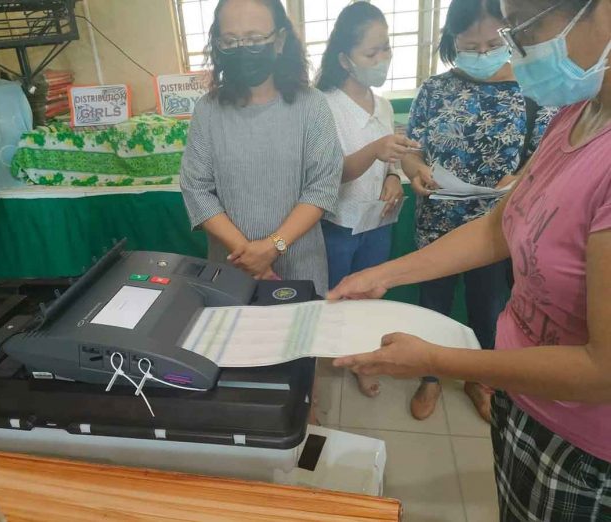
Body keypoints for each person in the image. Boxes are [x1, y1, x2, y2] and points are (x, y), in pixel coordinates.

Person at [329, 0, 611, 518]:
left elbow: (602, 369)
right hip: (524, 396)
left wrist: (433, 361)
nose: (514, 50)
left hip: (583, 443)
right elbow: (497, 227)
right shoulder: (575, 114)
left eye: (525, 29)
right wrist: (381, 275)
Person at [401, 0, 556, 422]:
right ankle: (429, 376)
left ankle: (479, 379)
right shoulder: (435, 90)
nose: (483, 54)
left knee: (488, 310)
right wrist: (415, 171)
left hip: (496, 232)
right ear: (453, 42)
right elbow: (410, 153)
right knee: (431, 306)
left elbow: (548, 159)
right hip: (437, 226)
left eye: (493, 43)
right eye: (471, 45)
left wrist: (521, 179)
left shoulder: (535, 90)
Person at [180, 0, 343, 297]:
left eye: (255, 39)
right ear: (217, 45)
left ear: (279, 41)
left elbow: (322, 187)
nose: (242, 49)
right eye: (230, 40)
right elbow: (196, 189)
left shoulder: (312, 105)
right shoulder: (208, 110)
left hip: (300, 268)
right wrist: (250, 255)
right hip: (230, 270)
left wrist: (272, 247)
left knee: (302, 341)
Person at [315, 2, 419, 397]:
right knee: (338, 294)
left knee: (371, 293)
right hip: (340, 223)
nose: (382, 59)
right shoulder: (323, 105)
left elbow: (391, 157)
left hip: (379, 221)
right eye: (371, 53)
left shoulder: (384, 103)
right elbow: (330, 175)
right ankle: (330, 355)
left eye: (386, 48)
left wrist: (393, 175)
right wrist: (376, 149)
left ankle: (360, 357)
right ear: (345, 58)